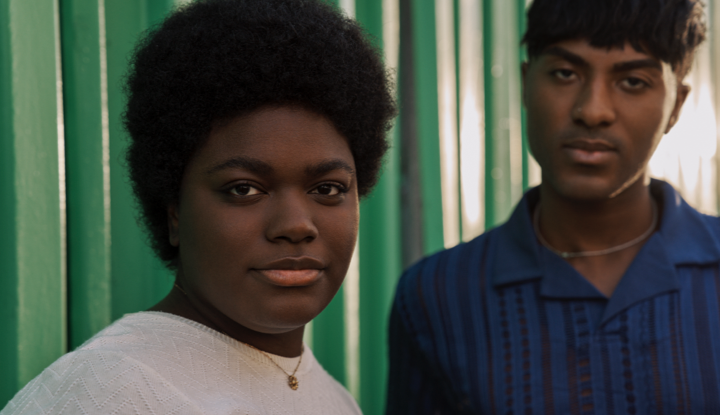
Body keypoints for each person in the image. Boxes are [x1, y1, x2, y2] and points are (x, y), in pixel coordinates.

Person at [2, 0, 395, 414]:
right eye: (244, 189)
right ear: (173, 209)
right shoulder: (106, 394)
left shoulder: (336, 400)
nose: (296, 225)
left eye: (328, 188)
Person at [387, 0, 716, 413]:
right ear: (526, 82)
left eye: (632, 81)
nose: (592, 110)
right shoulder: (436, 297)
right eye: (565, 73)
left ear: (677, 107)